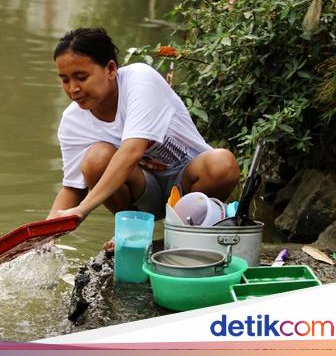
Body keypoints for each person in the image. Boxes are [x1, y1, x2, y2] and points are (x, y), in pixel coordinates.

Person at [46, 28, 240, 245]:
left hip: (189, 183)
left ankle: (181, 235)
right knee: (95, 159)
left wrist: (83, 209)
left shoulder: (139, 79)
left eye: (81, 77)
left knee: (222, 163)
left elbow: (132, 150)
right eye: (64, 80)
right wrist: (44, 237)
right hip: (144, 189)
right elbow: (73, 187)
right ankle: (132, 231)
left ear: (110, 69)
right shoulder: (73, 121)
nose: (73, 89)